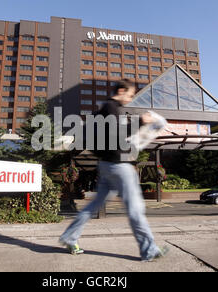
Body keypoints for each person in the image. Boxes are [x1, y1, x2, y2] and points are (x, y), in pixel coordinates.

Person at [59, 79, 169, 262]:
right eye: (131, 95)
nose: (131, 99)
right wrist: (141, 121)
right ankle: (149, 250)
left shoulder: (103, 109)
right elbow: (117, 134)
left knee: (93, 205)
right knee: (135, 209)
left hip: (106, 165)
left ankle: (70, 237)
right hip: (119, 166)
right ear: (121, 90)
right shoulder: (112, 108)